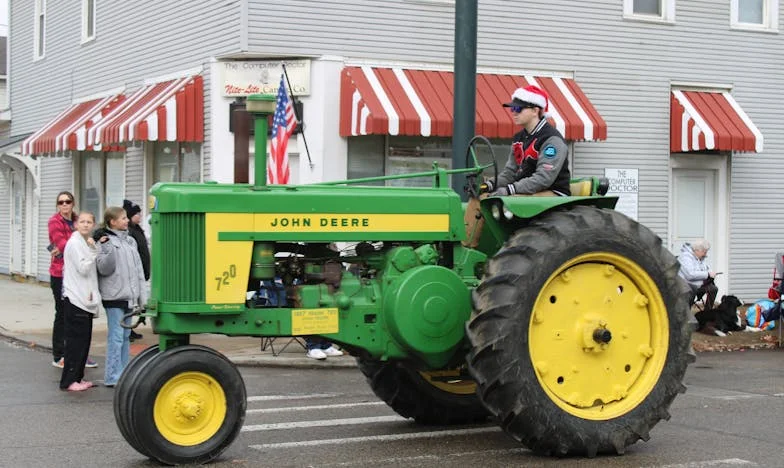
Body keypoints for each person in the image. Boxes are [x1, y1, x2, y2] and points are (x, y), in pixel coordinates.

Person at [483, 85, 571, 197]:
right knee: (480, 198)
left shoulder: (552, 140)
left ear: (535, 111)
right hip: (526, 191)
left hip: (554, 193)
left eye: (518, 109)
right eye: (512, 109)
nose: (514, 112)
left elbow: (543, 178)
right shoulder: (518, 138)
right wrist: (488, 185)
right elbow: (510, 173)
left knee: (508, 201)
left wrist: (510, 190)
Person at [95, 206, 148, 387]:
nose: (127, 221)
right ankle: (112, 376)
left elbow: (138, 271)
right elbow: (104, 268)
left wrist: (142, 299)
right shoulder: (105, 241)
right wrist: (106, 246)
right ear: (112, 222)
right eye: (123, 218)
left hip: (129, 297)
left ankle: (123, 373)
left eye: (126, 218)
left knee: (125, 337)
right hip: (114, 297)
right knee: (116, 337)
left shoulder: (130, 241)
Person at [48, 191, 98, 369]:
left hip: (80, 275)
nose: (64, 205)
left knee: (80, 314)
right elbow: (63, 244)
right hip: (60, 274)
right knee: (63, 313)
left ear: (73, 203)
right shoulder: (55, 222)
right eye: (61, 202)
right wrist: (82, 243)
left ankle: (78, 354)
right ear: (57, 205)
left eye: (67, 201)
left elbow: (89, 237)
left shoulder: (78, 220)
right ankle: (60, 355)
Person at [60, 212, 101, 392]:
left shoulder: (84, 242)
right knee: (76, 343)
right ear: (76, 224)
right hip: (76, 300)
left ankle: (78, 377)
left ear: (93, 225)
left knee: (84, 342)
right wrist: (93, 252)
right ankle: (69, 381)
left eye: (89, 222)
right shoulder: (75, 243)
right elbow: (83, 268)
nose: (85, 225)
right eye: (82, 221)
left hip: (84, 299)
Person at [123, 199, 150, 342]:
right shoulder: (129, 232)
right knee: (130, 303)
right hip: (132, 274)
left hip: (141, 271)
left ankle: (130, 329)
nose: (139, 216)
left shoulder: (138, 229)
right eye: (136, 214)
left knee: (135, 302)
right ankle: (127, 329)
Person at [678, 239, 718, 310]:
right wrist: (707, 274)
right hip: (686, 285)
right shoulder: (685, 257)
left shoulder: (700, 258)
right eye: (704, 252)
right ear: (697, 250)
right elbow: (690, 275)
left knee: (713, 289)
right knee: (691, 290)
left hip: (698, 284)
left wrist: (711, 273)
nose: (706, 254)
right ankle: (686, 313)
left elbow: (706, 269)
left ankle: (707, 312)